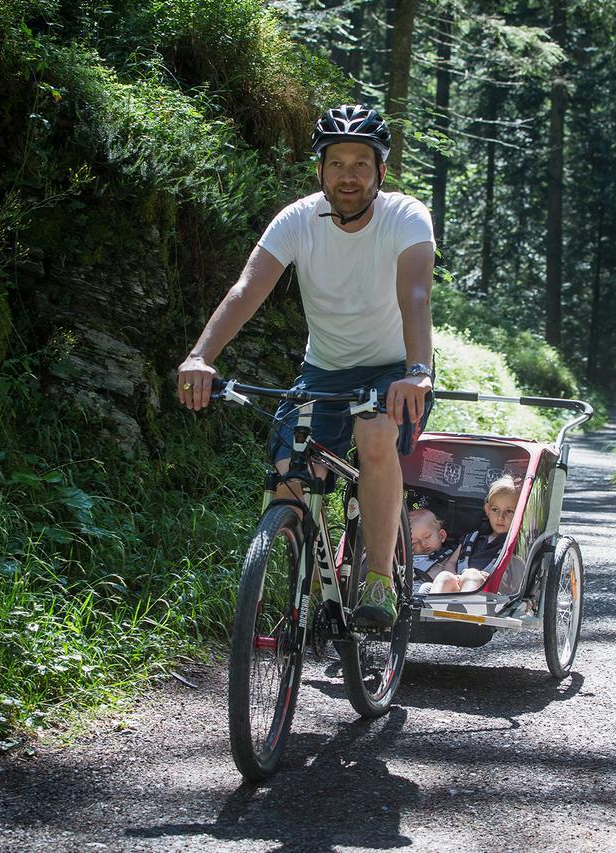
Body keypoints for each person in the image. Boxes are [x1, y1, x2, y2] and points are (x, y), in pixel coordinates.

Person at [176, 104, 436, 630]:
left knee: (375, 435)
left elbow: (415, 294)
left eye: (361, 163)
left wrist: (416, 369)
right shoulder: (297, 220)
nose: (348, 174)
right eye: (336, 161)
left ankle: (380, 580)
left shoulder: (405, 216)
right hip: (323, 370)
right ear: (319, 169)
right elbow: (247, 289)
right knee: (290, 478)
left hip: (395, 368)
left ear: (380, 172)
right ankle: (306, 581)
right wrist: (201, 356)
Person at [429, 475, 520, 594]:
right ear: (487, 510)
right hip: (460, 584)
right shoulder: (472, 537)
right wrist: (455, 577)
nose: (500, 517)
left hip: (490, 594)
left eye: (509, 511)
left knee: (472, 576)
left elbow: (516, 581)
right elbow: (451, 562)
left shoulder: (514, 545)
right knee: (444, 577)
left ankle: (466, 608)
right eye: (495, 509)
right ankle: (428, 610)